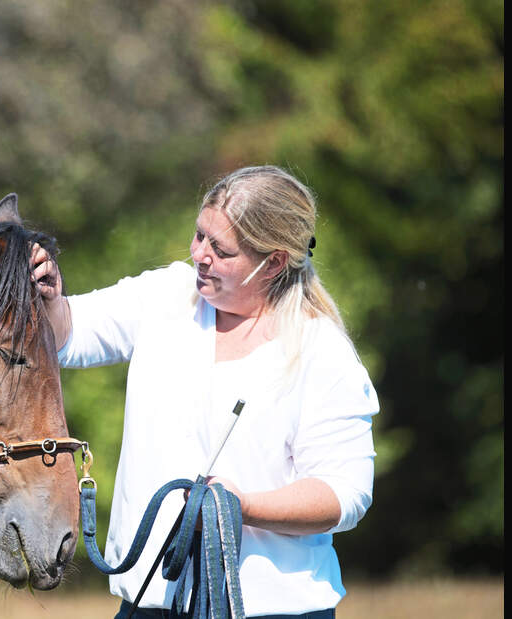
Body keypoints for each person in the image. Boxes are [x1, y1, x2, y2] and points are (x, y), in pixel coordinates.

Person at [31, 165, 379, 618]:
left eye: (221, 249)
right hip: (146, 605)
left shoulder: (321, 352)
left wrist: (242, 506)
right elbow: (68, 336)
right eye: (200, 235)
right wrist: (50, 299)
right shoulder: (167, 295)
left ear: (273, 262)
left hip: (271, 611)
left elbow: (343, 493)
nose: (199, 254)